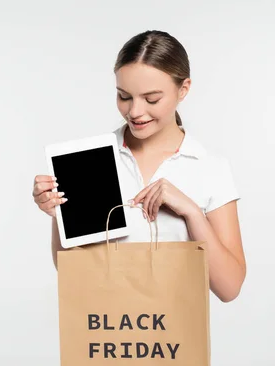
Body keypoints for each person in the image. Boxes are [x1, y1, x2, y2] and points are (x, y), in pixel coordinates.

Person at [31, 30, 246, 303]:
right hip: (107, 331)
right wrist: (58, 213)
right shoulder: (90, 163)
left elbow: (229, 289)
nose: (135, 111)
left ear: (184, 89)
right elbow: (72, 271)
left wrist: (191, 212)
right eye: (124, 96)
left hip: (174, 337)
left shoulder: (210, 168)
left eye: (151, 99)